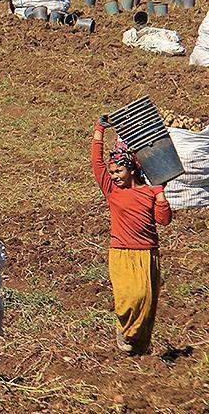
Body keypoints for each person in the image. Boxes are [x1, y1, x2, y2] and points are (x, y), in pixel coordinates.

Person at [92, 117, 171, 355]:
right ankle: (123, 330)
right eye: (112, 172)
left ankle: (137, 348)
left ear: (132, 169)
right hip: (121, 253)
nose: (115, 175)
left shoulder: (148, 192)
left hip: (148, 253)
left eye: (119, 171)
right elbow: (96, 162)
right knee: (128, 298)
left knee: (147, 303)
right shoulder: (112, 190)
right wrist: (99, 130)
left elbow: (164, 220)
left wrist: (160, 196)